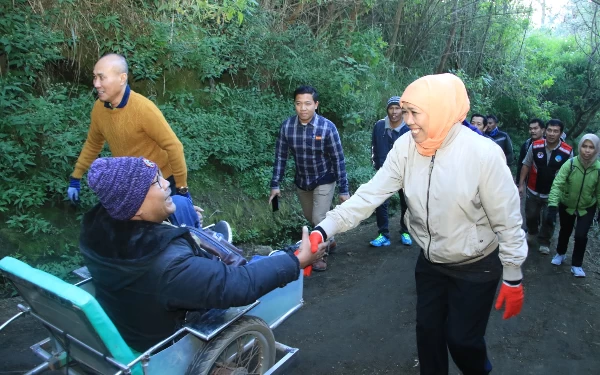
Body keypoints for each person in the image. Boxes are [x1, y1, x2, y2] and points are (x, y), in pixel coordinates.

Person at [307, 74, 526, 375]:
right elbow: (370, 194)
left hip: (476, 265)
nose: (407, 120)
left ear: (440, 110)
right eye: (404, 111)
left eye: (414, 112)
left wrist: (513, 275)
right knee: (428, 333)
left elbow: (508, 219)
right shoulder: (406, 147)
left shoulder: (483, 154)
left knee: (462, 341)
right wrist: (324, 229)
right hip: (431, 262)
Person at [79, 156, 325, 352]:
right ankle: (275, 254)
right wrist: (296, 261)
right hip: (167, 341)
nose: (166, 183)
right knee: (259, 266)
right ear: (135, 207)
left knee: (183, 208)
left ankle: (214, 241)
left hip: (129, 323)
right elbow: (240, 285)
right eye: (156, 182)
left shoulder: (95, 231)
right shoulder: (167, 263)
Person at [67, 54, 190, 204]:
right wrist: (76, 178)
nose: (96, 84)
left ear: (122, 78)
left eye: (101, 77)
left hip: (163, 183)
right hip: (132, 184)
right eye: (94, 77)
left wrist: (182, 188)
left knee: (175, 225)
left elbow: (174, 147)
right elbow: (93, 144)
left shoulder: (143, 109)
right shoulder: (99, 109)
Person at [269, 85, 350, 271]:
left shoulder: (327, 127)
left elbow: (338, 159)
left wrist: (344, 190)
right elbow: (281, 156)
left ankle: (319, 255)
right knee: (310, 216)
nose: (303, 108)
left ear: (316, 104)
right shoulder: (287, 127)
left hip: (324, 178)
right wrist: (275, 184)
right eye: (298, 104)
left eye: (307, 103)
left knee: (318, 218)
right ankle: (331, 239)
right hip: (302, 180)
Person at [546, 134, 600, 278]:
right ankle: (561, 253)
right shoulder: (570, 164)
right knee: (565, 230)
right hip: (567, 203)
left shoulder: (598, 169)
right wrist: (552, 205)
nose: (587, 150)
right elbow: (558, 184)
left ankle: (577, 264)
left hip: (587, 206)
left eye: (591, 147)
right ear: (580, 147)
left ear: (596, 150)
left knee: (581, 235)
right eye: (584, 146)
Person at [518, 119, 572, 255]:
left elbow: (570, 174)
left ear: (561, 133)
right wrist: (521, 184)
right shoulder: (535, 146)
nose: (552, 134)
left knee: (549, 218)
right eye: (549, 130)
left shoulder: (567, 151)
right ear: (545, 130)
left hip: (552, 193)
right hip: (533, 188)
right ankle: (532, 231)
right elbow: (526, 164)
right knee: (530, 215)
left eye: (556, 131)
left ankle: (544, 241)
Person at [369, 96, 412, 247]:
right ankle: (383, 234)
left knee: (406, 203)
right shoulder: (379, 126)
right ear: (387, 110)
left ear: (402, 110)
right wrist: (376, 163)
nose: (394, 112)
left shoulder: (409, 127)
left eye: (397, 108)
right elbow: (373, 145)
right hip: (384, 171)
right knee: (380, 202)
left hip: (405, 172)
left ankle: (406, 231)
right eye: (391, 108)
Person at [515, 118, 545, 186]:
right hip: (529, 181)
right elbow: (521, 165)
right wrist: (519, 183)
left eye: (535, 128)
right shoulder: (526, 144)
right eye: (530, 129)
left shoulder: (548, 144)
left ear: (542, 130)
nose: (532, 131)